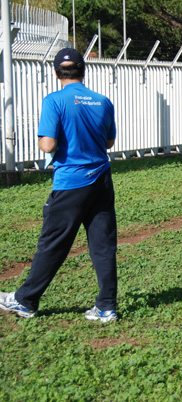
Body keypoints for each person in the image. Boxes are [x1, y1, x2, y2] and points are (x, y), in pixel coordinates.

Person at [0, 48, 118, 322]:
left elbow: (48, 144)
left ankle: (25, 301)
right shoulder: (103, 101)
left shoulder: (54, 101)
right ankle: (106, 306)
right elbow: (109, 142)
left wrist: (43, 140)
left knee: (53, 242)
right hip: (101, 179)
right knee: (102, 243)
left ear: (56, 73)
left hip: (71, 182)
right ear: (83, 70)